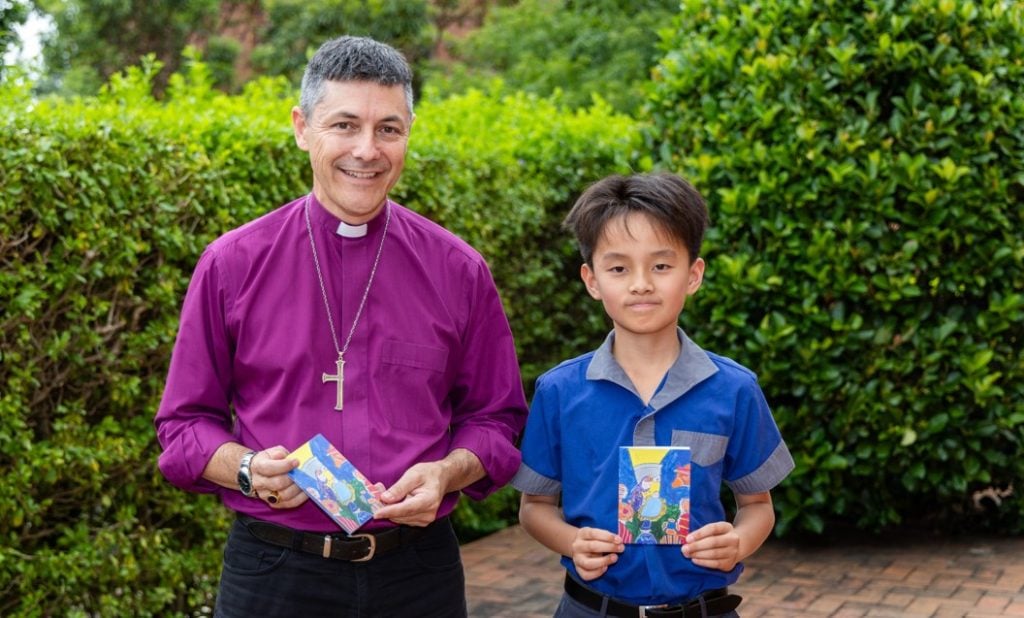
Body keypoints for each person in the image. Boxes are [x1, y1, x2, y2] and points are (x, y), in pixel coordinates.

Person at [154, 35, 528, 617]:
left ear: (408, 134)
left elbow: (496, 422)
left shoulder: (458, 270)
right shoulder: (231, 264)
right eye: (345, 125)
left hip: (418, 573)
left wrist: (448, 473)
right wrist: (248, 470)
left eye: (389, 129)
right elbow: (182, 428)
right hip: (273, 573)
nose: (367, 149)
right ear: (303, 128)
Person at [511, 173, 794, 617]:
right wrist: (570, 540)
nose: (641, 284)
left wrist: (738, 541)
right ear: (591, 280)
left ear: (693, 274)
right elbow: (534, 507)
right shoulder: (559, 391)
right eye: (619, 268)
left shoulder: (734, 388)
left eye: (661, 266)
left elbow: (758, 505)